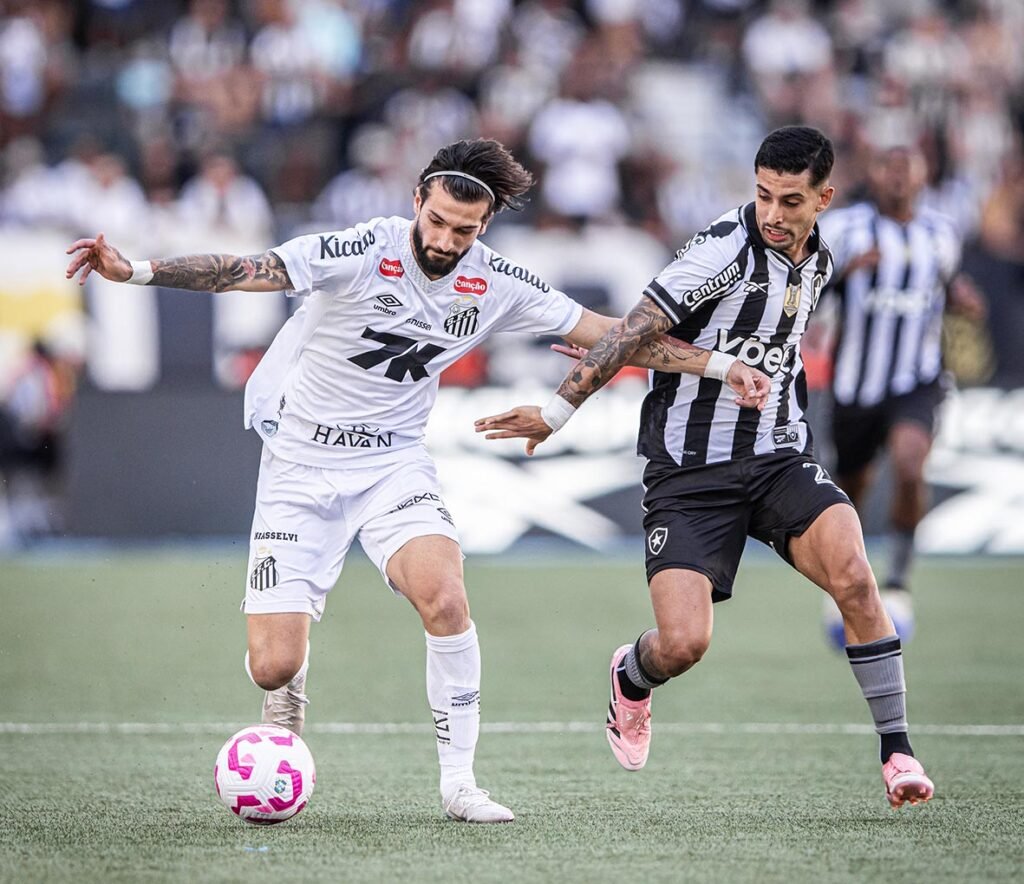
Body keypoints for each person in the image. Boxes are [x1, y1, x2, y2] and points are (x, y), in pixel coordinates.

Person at [65, 138, 770, 824]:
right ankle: (288, 689)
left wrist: (721, 366)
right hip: (299, 464)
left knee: (445, 597)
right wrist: (137, 271)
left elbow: (613, 333)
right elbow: (248, 270)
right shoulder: (358, 250)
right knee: (272, 664)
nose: (444, 239)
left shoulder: (494, 280)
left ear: (484, 225)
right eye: (436, 221)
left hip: (392, 463)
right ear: (416, 201)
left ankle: (460, 785)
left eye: (464, 229)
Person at [475, 126, 935, 809]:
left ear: (824, 199)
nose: (773, 213)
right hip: (689, 473)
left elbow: (781, 346)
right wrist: (556, 412)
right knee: (684, 644)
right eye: (763, 195)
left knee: (858, 582)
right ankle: (631, 677)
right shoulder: (722, 248)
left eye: (790, 200)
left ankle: (897, 752)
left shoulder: (820, 260)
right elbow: (630, 331)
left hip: (778, 457)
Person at [817, 140, 986, 647]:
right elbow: (804, 290)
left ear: (922, 176)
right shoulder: (845, 229)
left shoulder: (941, 232)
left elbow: (946, 284)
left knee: (911, 464)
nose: (896, 177)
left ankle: (898, 579)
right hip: (856, 384)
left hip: (917, 378)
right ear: (873, 174)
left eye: (905, 168)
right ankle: (847, 576)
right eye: (887, 167)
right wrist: (845, 274)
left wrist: (960, 297)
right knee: (851, 486)